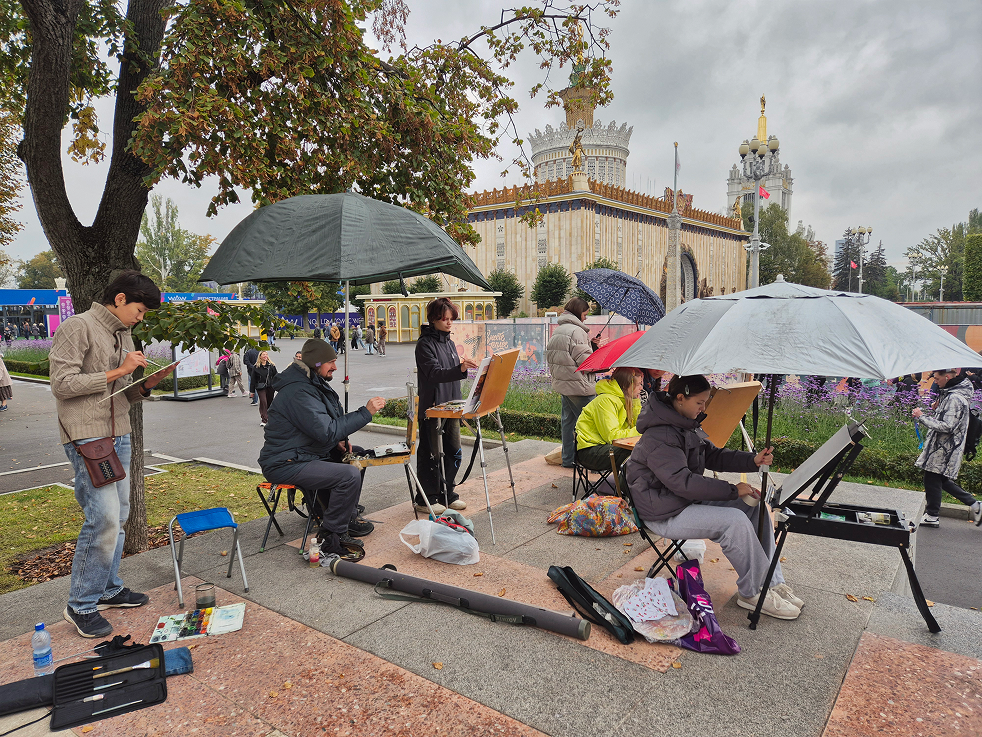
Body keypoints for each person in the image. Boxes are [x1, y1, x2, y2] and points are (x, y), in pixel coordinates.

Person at [49, 270, 174, 637]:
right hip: (88, 436)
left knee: (119, 516)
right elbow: (61, 384)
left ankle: (107, 587)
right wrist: (119, 369)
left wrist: (143, 385)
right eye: (139, 309)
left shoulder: (123, 332)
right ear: (120, 299)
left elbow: (120, 392)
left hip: (119, 432)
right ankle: (81, 604)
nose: (141, 317)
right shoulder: (78, 326)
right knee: (102, 518)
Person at [623, 374, 803, 621]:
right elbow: (684, 483)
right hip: (662, 512)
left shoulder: (685, 422)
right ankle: (752, 594)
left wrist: (752, 460)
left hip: (680, 500)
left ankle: (771, 581)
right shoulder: (661, 436)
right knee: (733, 521)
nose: (704, 408)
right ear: (680, 398)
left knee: (755, 507)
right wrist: (731, 489)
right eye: (700, 402)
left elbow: (713, 455)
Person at [258, 340, 386, 557]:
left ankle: (346, 517)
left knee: (357, 456)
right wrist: (365, 413)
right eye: (331, 362)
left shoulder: (311, 382)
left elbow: (316, 427)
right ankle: (332, 534)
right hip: (285, 462)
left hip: (303, 454)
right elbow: (325, 430)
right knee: (349, 474)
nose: (335, 367)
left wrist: (336, 443)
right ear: (316, 363)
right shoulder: (299, 391)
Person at [415, 297, 480, 514]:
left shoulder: (450, 343)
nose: (449, 322)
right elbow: (434, 373)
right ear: (434, 319)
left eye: (452, 318)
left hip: (452, 407)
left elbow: (452, 374)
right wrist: (459, 368)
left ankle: (447, 493)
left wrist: (463, 368)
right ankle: (426, 498)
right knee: (431, 453)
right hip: (433, 407)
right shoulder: (424, 345)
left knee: (453, 450)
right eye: (445, 318)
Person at [913, 368, 982, 528]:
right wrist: (937, 409)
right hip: (944, 446)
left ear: (948, 377)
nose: (935, 382)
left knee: (932, 478)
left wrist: (921, 417)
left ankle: (932, 516)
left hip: (945, 447)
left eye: (937, 379)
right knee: (939, 479)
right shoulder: (952, 395)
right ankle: (975, 505)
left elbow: (948, 426)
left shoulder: (955, 398)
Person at [545, 297, 604, 468]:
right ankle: (593, 462)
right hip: (580, 387)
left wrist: (591, 346)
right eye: (585, 313)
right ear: (579, 312)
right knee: (591, 424)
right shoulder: (578, 332)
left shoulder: (560, 330)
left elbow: (569, 358)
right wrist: (601, 361)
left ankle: (568, 459)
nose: (586, 317)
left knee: (568, 424)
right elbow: (586, 364)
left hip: (565, 386)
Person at [574, 367, 642, 475]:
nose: (641, 388)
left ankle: (635, 488)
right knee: (639, 451)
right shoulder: (605, 401)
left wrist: (635, 403)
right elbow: (612, 437)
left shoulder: (625, 400)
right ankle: (629, 489)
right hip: (590, 452)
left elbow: (637, 425)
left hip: (605, 447)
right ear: (626, 385)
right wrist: (642, 431)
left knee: (646, 447)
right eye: (638, 384)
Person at [253, 350, 278, 427]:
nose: (265, 356)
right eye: (263, 355)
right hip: (260, 387)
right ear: (260, 356)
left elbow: (276, 376)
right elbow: (253, 379)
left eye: (266, 354)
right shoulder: (256, 367)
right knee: (263, 402)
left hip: (270, 386)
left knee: (270, 402)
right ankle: (264, 419)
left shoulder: (271, 366)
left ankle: (270, 417)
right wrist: (252, 391)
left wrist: (277, 385)